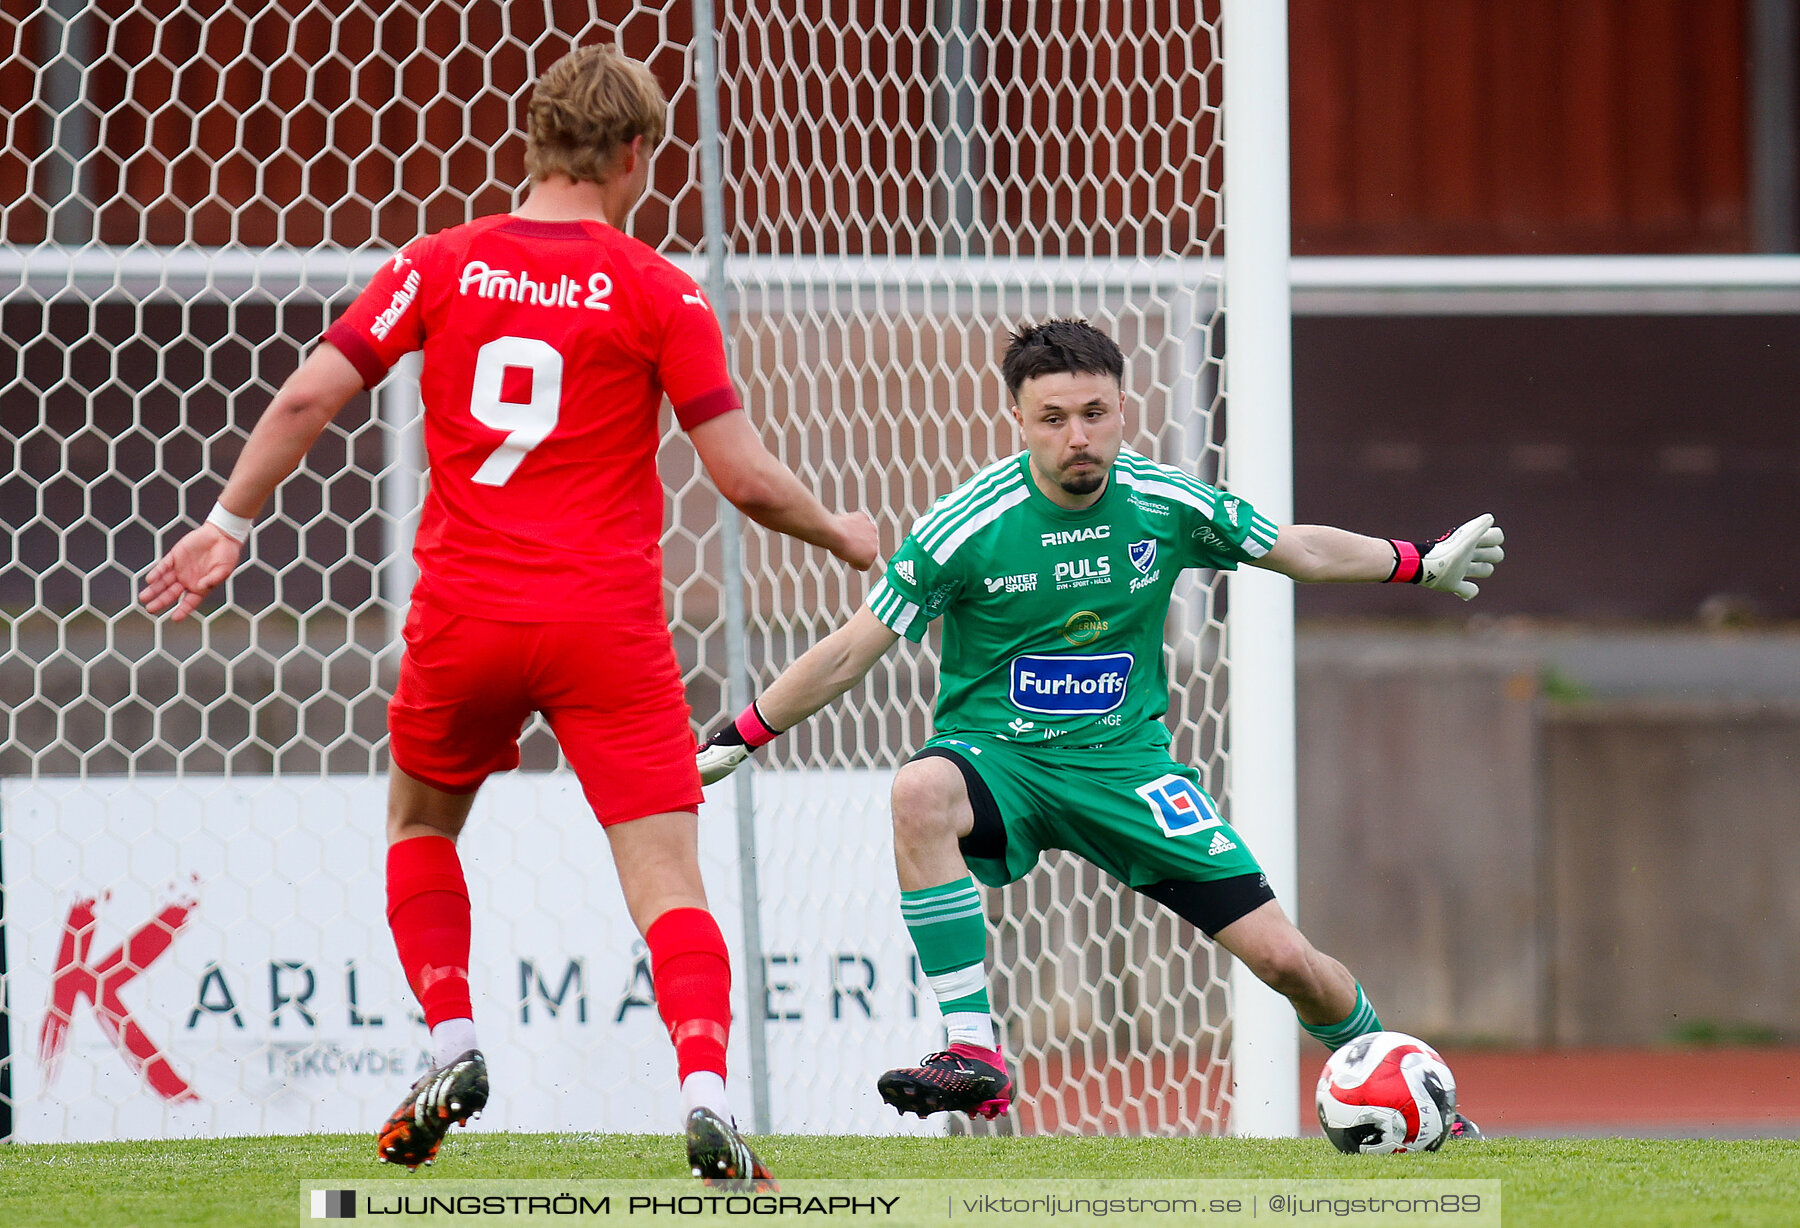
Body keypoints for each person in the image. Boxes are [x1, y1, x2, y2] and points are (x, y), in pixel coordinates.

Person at [140, 44, 878, 1184]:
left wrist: (229, 525)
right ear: (636, 152)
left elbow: (307, 394)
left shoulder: (440, 262)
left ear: (532, 143)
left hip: (466, 617)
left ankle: (453, 1041)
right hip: (607, 628)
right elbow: (742, 477)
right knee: (668, 882)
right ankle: (706, 1096)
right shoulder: (657, 286)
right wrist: (840, 532)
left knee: (422, 829)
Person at [698, 318, 1501, 1138]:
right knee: (919, 790)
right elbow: (848, 652)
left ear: (1124, 408)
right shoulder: (965, 525)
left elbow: (1297, 550)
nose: (1077, 437)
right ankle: (973, 1049)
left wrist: (1418, 559)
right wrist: (739, 735)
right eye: (1053, 419)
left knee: (1287, 961)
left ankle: (1408, 1088)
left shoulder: (1164, 502)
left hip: (1128, 770)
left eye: (1094, 413)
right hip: (1001, 761)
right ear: (1019, 420)